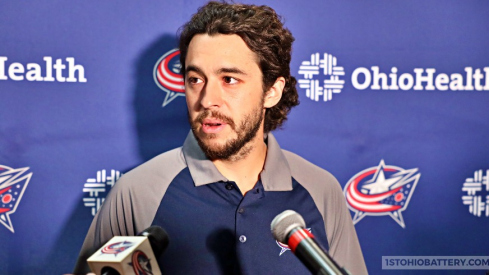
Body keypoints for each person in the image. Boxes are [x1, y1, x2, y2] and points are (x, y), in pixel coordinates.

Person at [74, 2, 367, 274]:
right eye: (195, 80)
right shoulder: (137, 193)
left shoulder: (321, 191)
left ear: (271, 91)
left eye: (229, 80)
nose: (207, 99)